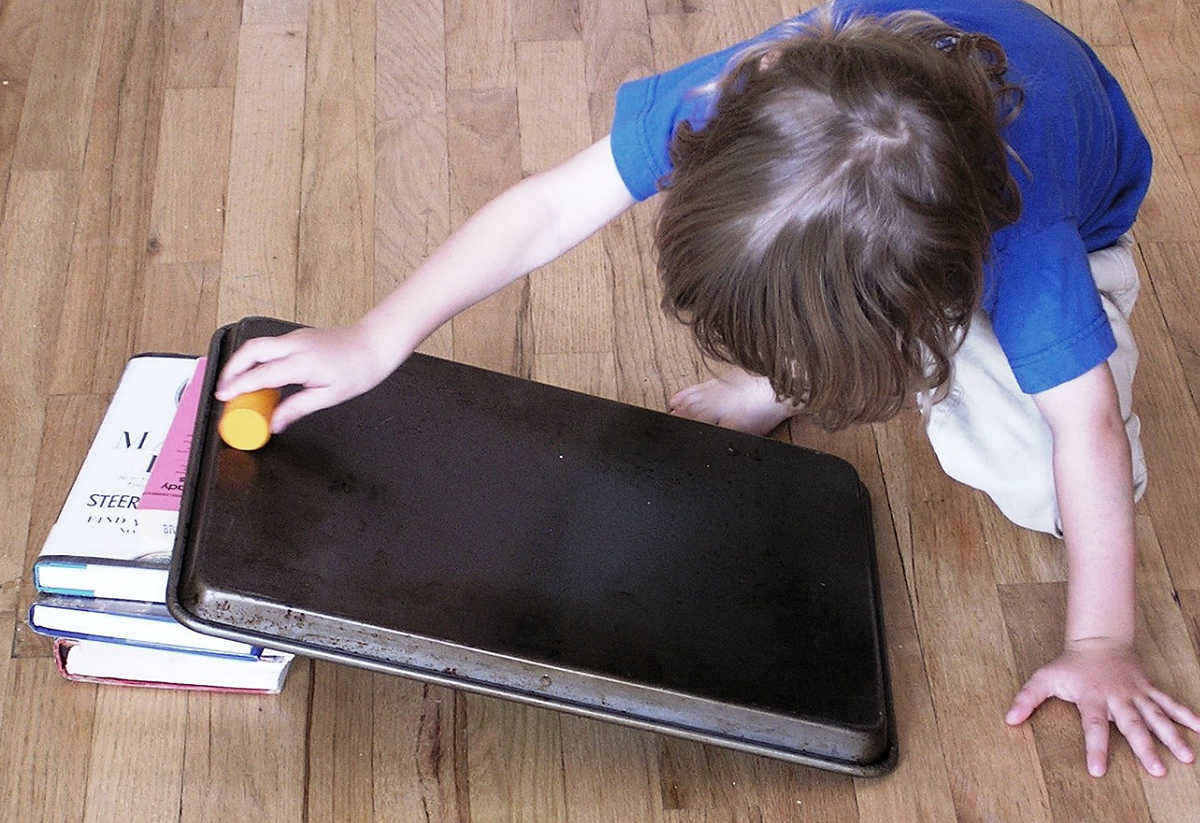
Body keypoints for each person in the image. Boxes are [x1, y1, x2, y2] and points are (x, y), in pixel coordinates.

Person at [216, 0, 1200, 776]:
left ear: (926, 301)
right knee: (810, 287)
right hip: (908, 132)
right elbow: (553, 206)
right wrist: (377, 335)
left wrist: (1102, 638)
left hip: (1077, 201)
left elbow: (1090, 435)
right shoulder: (750, 95)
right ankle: (797, 363)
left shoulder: (1031, 261)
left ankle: (842, 355)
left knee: (1044, 477)